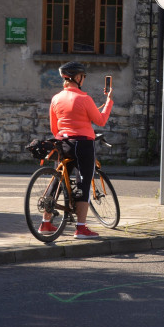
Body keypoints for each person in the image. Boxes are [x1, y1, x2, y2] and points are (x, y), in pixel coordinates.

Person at [46, 61, 114, 239]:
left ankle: (45, 223)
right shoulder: (85, 98)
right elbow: (100, 121)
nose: (83, 79)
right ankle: (81, 228)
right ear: (77, 77)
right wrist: (109, 102)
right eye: (83, 76)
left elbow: (54, 128)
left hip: (63, 143)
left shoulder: (56, 99)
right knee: (84, 183)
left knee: (57, 181)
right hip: (83, 144)